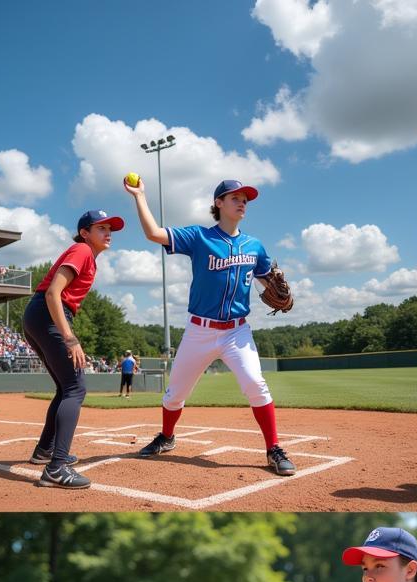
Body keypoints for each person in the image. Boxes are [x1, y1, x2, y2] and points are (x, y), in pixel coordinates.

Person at [124, 175, 296, 476]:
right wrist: (139, 196)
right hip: (199, 331)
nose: (242, 201)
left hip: (236, 332)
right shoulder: (199, 237)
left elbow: (269, 280)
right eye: (235, 197)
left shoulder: (254, 246)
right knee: (175, 393)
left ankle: (273, 449)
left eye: (245, 198)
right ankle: (166, 437)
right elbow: (153, 233)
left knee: (256, 384)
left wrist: (279, 288)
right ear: (219, 203)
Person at [23, 210, 124, 488]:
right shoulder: (81, 250)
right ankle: (56, 468)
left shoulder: (86, 255)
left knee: (65, 387)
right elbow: (54, 293)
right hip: (48, 314)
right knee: (75, 388)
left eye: (110, 228)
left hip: (39, 315)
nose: (108, 233)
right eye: (101, 228)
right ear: (84, 233)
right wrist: (70, 338)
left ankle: (45, 451)